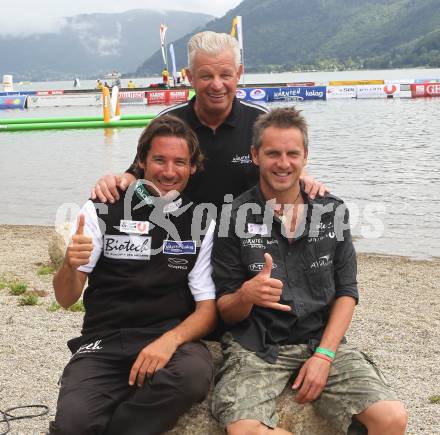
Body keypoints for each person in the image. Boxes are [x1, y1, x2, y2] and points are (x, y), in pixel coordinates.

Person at [211, 107, 408, 435]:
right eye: (273, 153)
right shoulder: (232, 217)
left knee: (392, 418)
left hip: (320, 340)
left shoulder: (331, 211)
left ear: (306, 157)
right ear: (255, 155)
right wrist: (246, 294)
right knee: (243, 430)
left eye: (293, 153)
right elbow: (226, 311)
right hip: (258, 347)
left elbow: (347, 291)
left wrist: (325, 355)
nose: (283, 163)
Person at [50, 115, 217, 435]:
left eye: (179, 162)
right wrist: (70, 265)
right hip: (104, 341)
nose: (169, 171)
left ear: (192, 168)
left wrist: (169, 341)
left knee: (194, 374)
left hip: (169, 338)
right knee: (73, 425)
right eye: (159, 159)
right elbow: (65, 297)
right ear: (140, 161)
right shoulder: (102, 206)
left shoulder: (201, 220)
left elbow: (207, 310)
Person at [91, 31, 327, 212]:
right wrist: (114, 182)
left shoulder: (260, 121)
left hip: (244, 242)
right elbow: (138, 172)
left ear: (238, 74)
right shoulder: (168, 122)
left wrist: (305, 178)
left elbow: (286, 166)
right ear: (190, 77)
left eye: (225, 75)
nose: (217, 85)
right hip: (183, 242)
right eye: (206, 76)